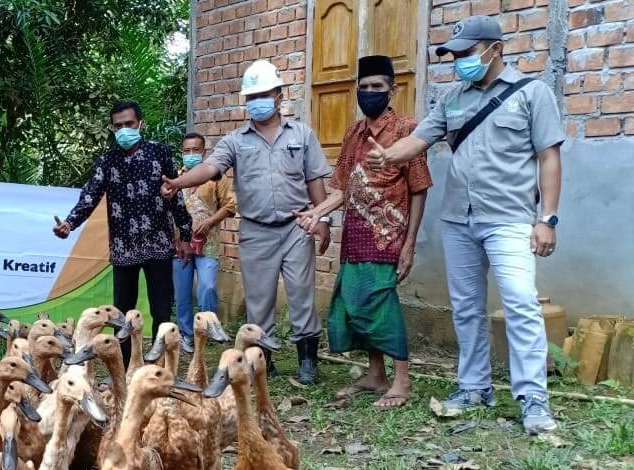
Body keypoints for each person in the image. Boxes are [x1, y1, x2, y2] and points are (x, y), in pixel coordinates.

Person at [366, 15, 564, 434]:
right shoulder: (453, 98)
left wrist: (546, 219)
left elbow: (550, 158)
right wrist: (388, 156)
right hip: (459, 219)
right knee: (467, 308)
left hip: (508, 218)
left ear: (496, 49)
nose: (459, 62)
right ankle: (474, 387)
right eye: (454, 55)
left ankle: (532, 397)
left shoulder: (532, 93)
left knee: (519, 303)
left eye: (466, 53)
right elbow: (420, 138)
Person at [162, 60, 333, 383]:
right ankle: (261, 361)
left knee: (301, 295)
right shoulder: (235, 141)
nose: (256, 102)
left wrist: (321, 217)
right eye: (251, 96)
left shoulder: (302, 134)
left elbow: (315, 181)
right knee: (259, 299)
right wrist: (178, 182)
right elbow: (210, 168)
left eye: (263, 94)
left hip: (297, 227)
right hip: (256, 230)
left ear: (279, 96)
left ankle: (308, 362)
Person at [295, 55, 432, 408]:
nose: (369, 93)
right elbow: (340, 188)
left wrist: (410, 244)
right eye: (364, 87)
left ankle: (401, 381)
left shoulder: (406, 131)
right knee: (353, 303)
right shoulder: (354, 133)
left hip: (388, 236)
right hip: (355, 235)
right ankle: (376, 375)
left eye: (377, 87)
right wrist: (316, 213)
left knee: (380, 304)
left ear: (392, 90)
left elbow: (419, 188)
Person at [54, 100, 193, 359]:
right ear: (112, 128)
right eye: (118, 126)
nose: (124, 130)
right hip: (123, 246)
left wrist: (185, 235)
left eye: (129, 124)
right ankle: (125, 365)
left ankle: (160, 366)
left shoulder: (160, 153)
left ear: (141, 124)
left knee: (161, 310)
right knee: (122, 313)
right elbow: (90, 195)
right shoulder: (107, 160)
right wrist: (70, 223)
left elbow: (175, 195)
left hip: (158, 244)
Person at [174, 132, 236, 353]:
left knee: (207, 286)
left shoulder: (216, 177)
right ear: (182, 152)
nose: (191, 154)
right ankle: (185, 334)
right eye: (187, 150)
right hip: (179, 245)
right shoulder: (175, 178)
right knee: (181, 292)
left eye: (196, 150)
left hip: (207, 243)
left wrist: (209, 222)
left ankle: (209, 326)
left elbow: (230, 206)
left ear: (204, 152)